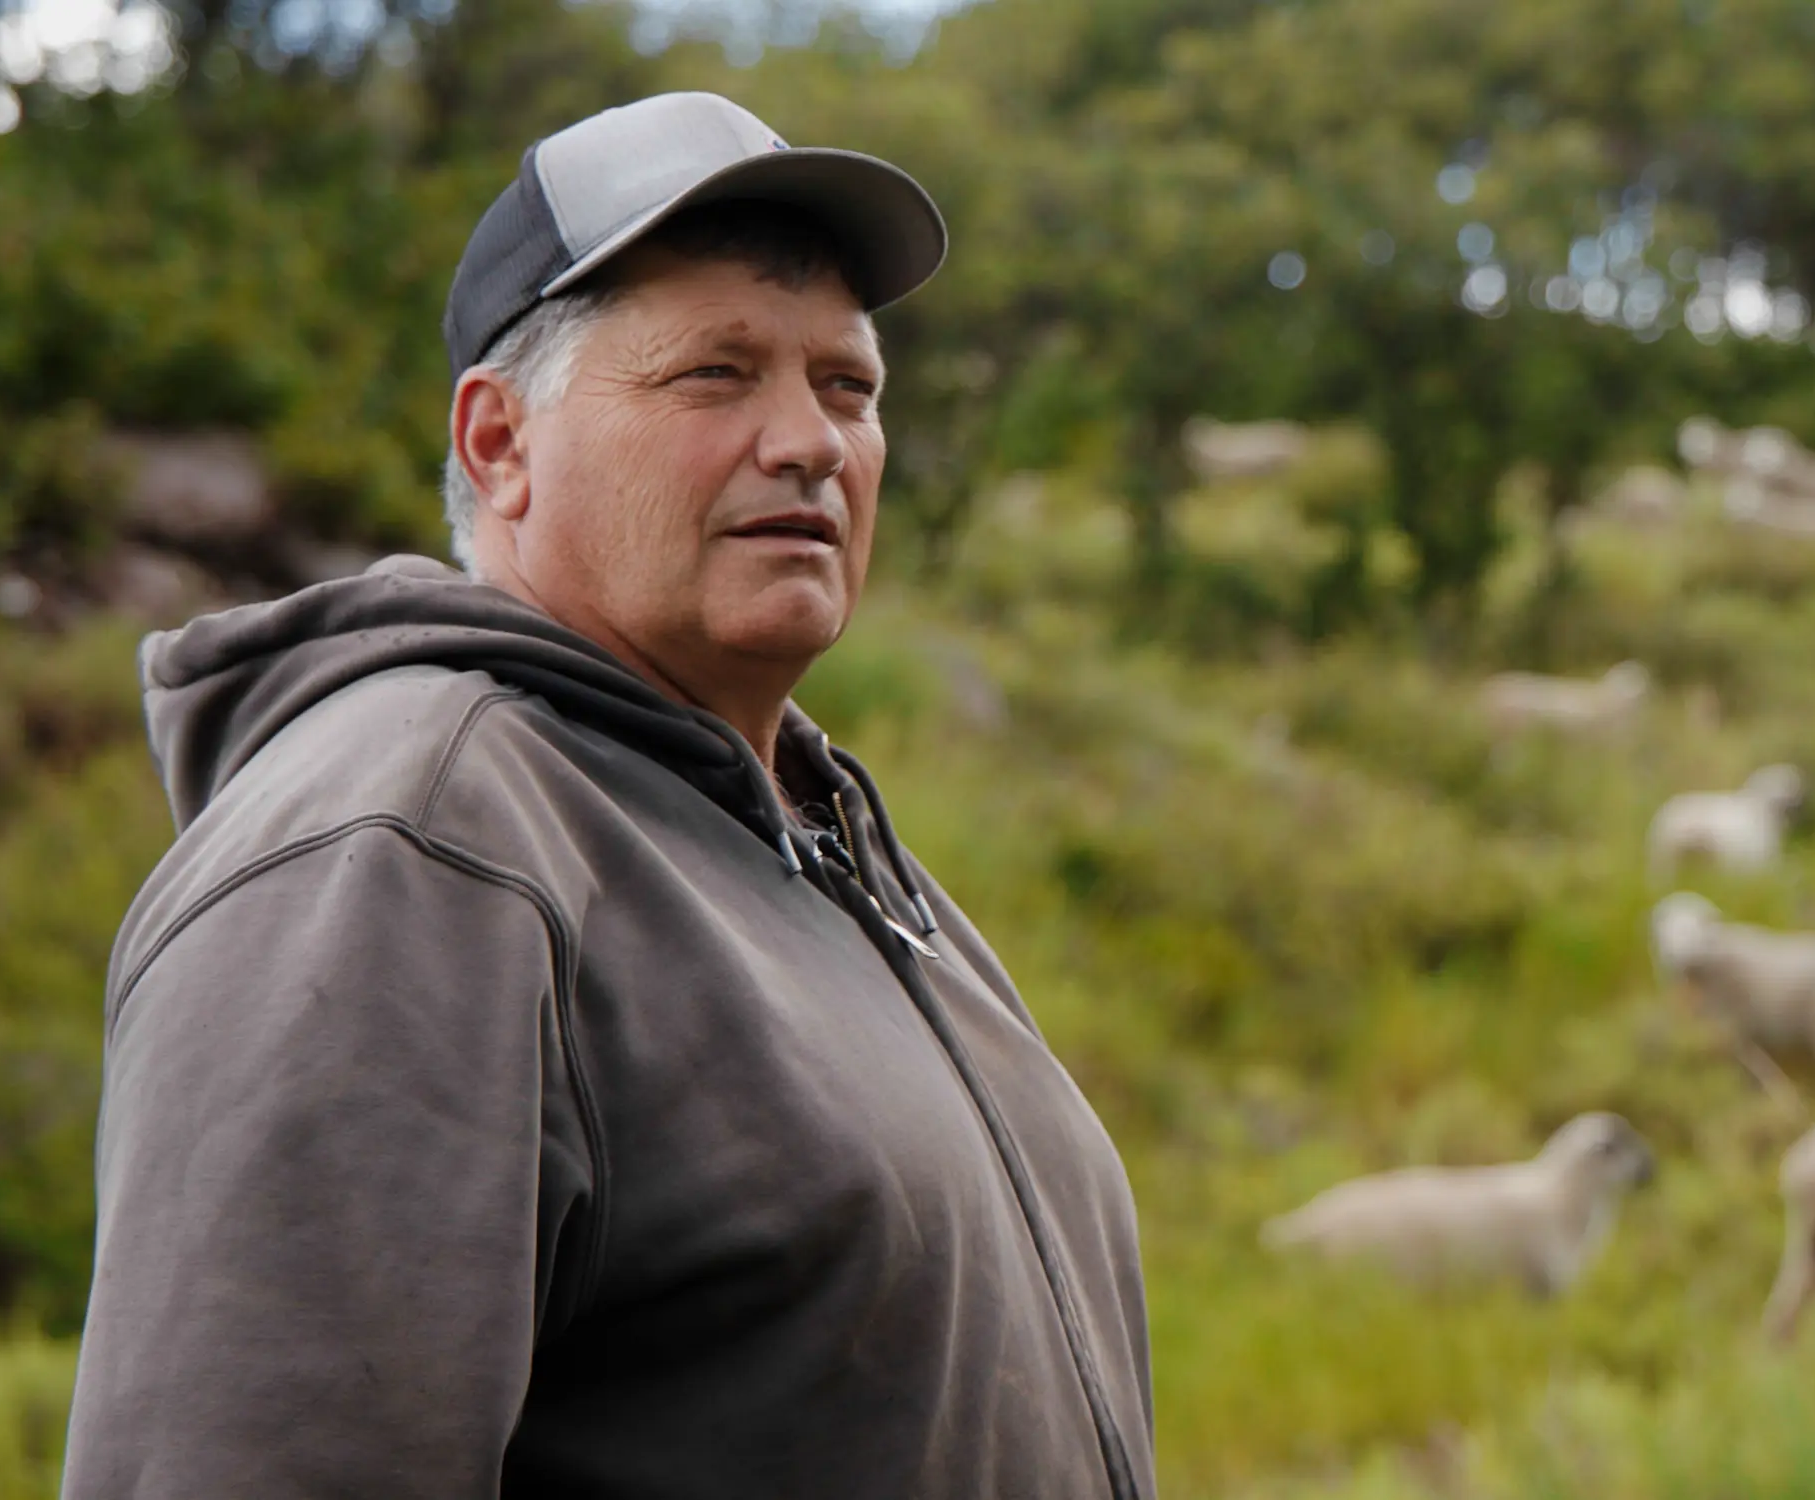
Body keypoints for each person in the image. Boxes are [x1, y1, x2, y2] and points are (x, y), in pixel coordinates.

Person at [61, 92, 1154, 1499]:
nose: (811, 441)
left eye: (847, 385)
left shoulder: (817, 839)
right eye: (715, 373)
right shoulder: (409, 849)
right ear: (498, 444)